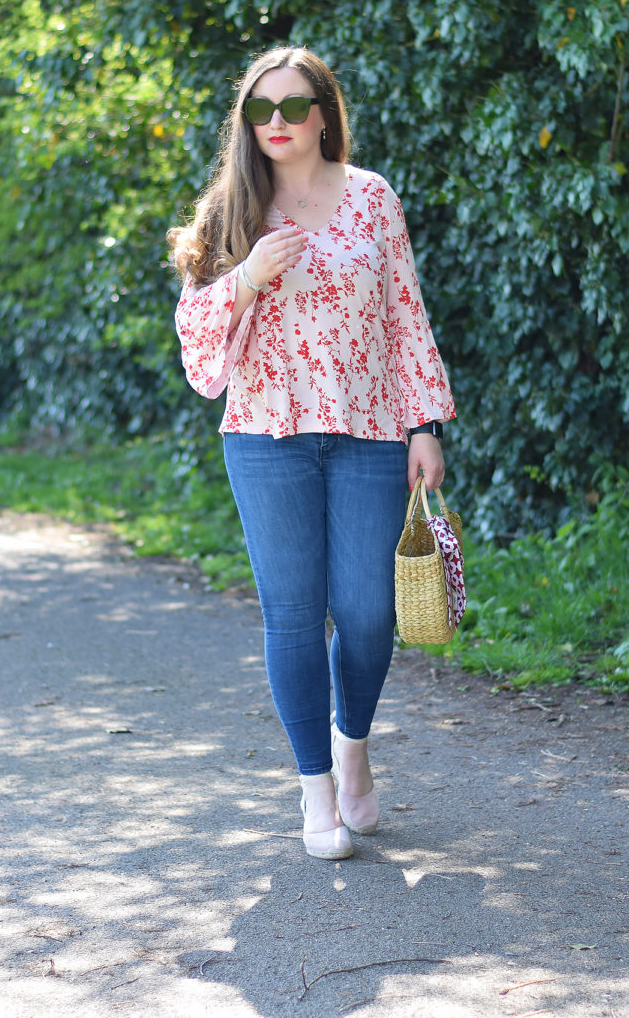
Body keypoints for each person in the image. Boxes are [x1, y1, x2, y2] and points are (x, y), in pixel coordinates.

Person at [168, 47, 455, 860]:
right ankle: (315, 796)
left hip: (367, 429)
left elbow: (405, 314)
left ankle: (351, 744)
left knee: (368, 614)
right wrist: (247, 277)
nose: (277, 124)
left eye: (294, 108)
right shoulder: (232, 209)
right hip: (265, 434)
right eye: (261, 111)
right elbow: (195, 341)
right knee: (293, 615)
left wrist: (425, 421)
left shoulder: (372, 199)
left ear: (324, 113)